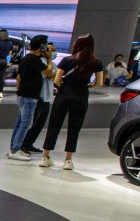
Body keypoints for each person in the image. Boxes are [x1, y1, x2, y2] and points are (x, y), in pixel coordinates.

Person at [40, 34, 104, 170]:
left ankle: (45, 157)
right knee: (74, 128)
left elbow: (57, 80)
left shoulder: (67, 60)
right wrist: (88, 86)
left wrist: (64, 85)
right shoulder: (96, 62)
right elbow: (99, 83)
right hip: (81, 96)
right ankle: (68, 160)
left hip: (64, 95)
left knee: (54, 125)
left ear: (77, 45)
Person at [7, 35, 53, 161]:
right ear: (42, 46)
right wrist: (49, 59)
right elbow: (49, 73)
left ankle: (14, 148)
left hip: (23, 94)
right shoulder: (34, 60)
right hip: (29, 96)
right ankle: (15, 149)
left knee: (20, 123)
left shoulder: (26, 59)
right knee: (26, 123)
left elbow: (19, 77)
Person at [21, 41, 57, 154]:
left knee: (39, 124)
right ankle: (23, 144)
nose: (52, 53)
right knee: (32, 122)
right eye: (50, 50)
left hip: (47, 96)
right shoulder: (40, 62)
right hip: (38, 96)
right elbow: (50, 75)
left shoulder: (52, 64)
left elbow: (54, 77)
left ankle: (29, 143)